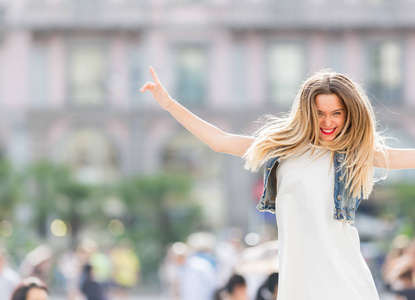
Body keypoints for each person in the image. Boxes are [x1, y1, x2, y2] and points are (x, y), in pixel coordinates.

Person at [141, 67, 415, 300]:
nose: (328, 122)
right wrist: (169, 104)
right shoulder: (282, 150)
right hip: (298, 277)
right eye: (320, 113)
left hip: (344, 275)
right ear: (308, 112)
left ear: (349, 114)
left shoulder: (355, 153)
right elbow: (220, 141)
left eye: (337, 113)